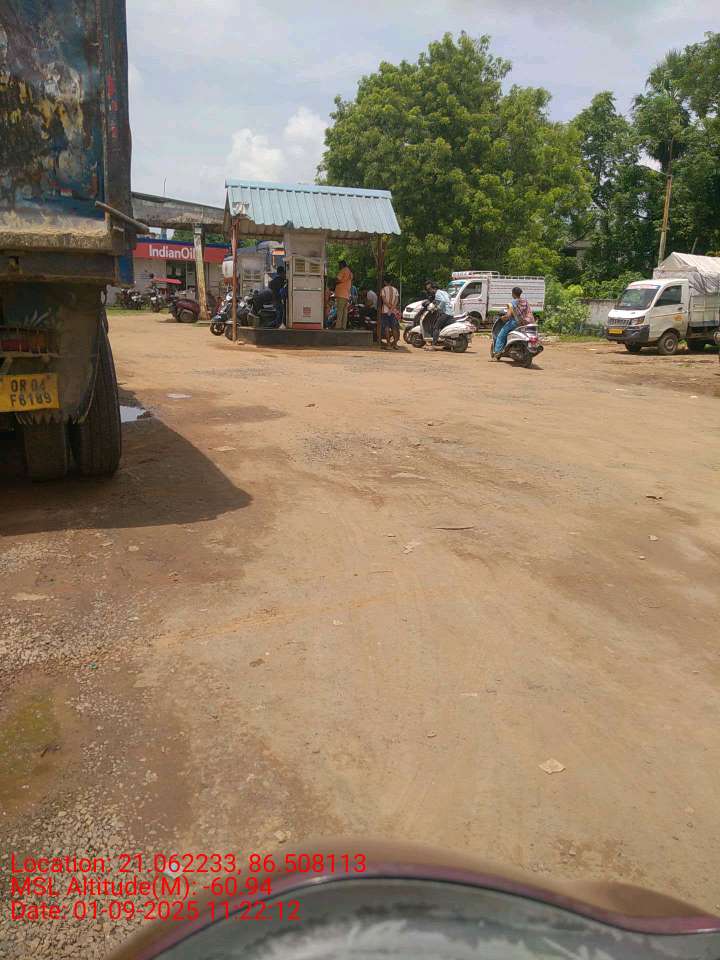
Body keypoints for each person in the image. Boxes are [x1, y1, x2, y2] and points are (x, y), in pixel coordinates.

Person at [493, 286, 533, 358]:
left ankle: (497, 352)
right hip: (526, 323)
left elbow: (508, 316)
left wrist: (502, 318)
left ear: (513, 294)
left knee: (500, 336)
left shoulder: (512, 303)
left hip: (515, 323)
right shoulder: (525, 301)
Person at [425, 281, 454, 346]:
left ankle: (433, 346)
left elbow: (443, 301)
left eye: (430, 289)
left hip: (446, 313)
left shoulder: (437, 294)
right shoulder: (444, 292)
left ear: (434, 288)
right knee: (444, 328)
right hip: (451, 312)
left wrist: (438, 308)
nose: (429, 291)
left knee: (436, 327)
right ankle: (447, 345)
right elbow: (449, 297)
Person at [380, 277, 400, 348]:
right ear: (391, 282)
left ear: (385, 282)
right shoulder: (395, 290)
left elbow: (384, 301)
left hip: (385, 311)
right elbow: (396, 301)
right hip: (393, 312)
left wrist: (389, 309)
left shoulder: (383, 290)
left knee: (386, 328)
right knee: (394, 327)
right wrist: (392, 309)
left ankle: (388, 344)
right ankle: (395, 344)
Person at [334, 260, 353, 330]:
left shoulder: (343, 270)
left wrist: (335, 281)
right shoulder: (350, 272)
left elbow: (337, 279)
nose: (339, 266)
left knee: (340, 311)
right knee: (345, 312)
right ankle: (343, 326)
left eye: (339, 265)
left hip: (341, 293)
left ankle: (338, 326)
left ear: (342, 265)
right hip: (346, 294)